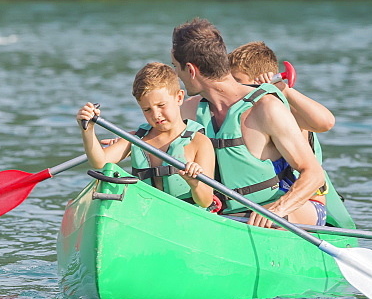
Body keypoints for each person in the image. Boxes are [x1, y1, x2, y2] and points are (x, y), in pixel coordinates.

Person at [172, 18, 326, 228]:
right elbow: (158, 135)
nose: (176, 75)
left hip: (290, 210)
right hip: (232, 216)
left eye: (175, 67)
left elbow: (314, 174)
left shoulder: (266, 108)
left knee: (273, 223)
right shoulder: (190, 109)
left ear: (190, 70)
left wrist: (277, 209)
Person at [228, 41, 354, 229]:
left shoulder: (286, 113)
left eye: (237, 81)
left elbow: (326, 122)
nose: (231, 88)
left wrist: (283, 90)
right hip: (262, 204)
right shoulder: (242, 115)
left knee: (254, 220)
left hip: (305, 204)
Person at [76, 62, 217, 210]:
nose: (156, 115)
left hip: (186, 218)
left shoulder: (200, 142)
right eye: (147, 109)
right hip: (147, 215)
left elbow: (205, 201)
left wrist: (195, 183)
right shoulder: (137, 139)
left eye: (161, 105)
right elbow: (100, 162)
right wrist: (87, 129)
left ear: (179, 98)